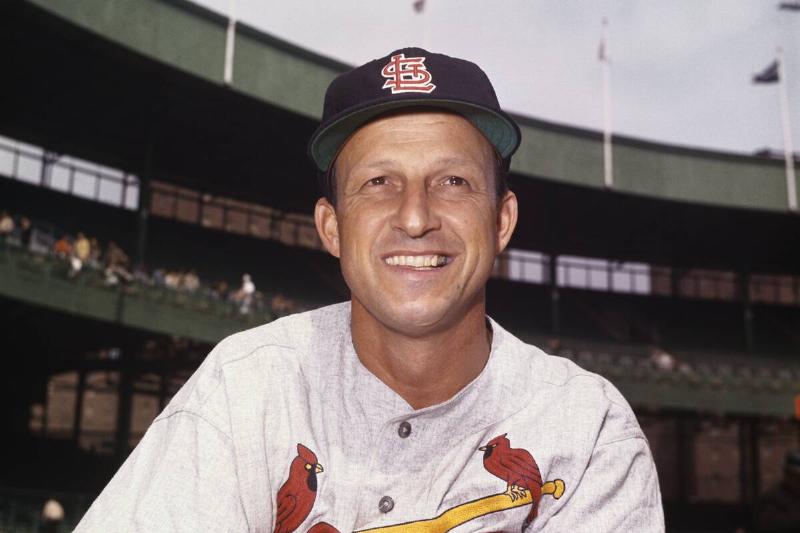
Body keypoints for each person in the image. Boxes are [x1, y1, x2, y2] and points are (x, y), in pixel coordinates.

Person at [76, 48, 663, 532]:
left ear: (502, 221)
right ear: (331, 227)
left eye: (453, 181)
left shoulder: (588, 428)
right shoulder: (247, 386)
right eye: (379, 182)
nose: (414, 217)